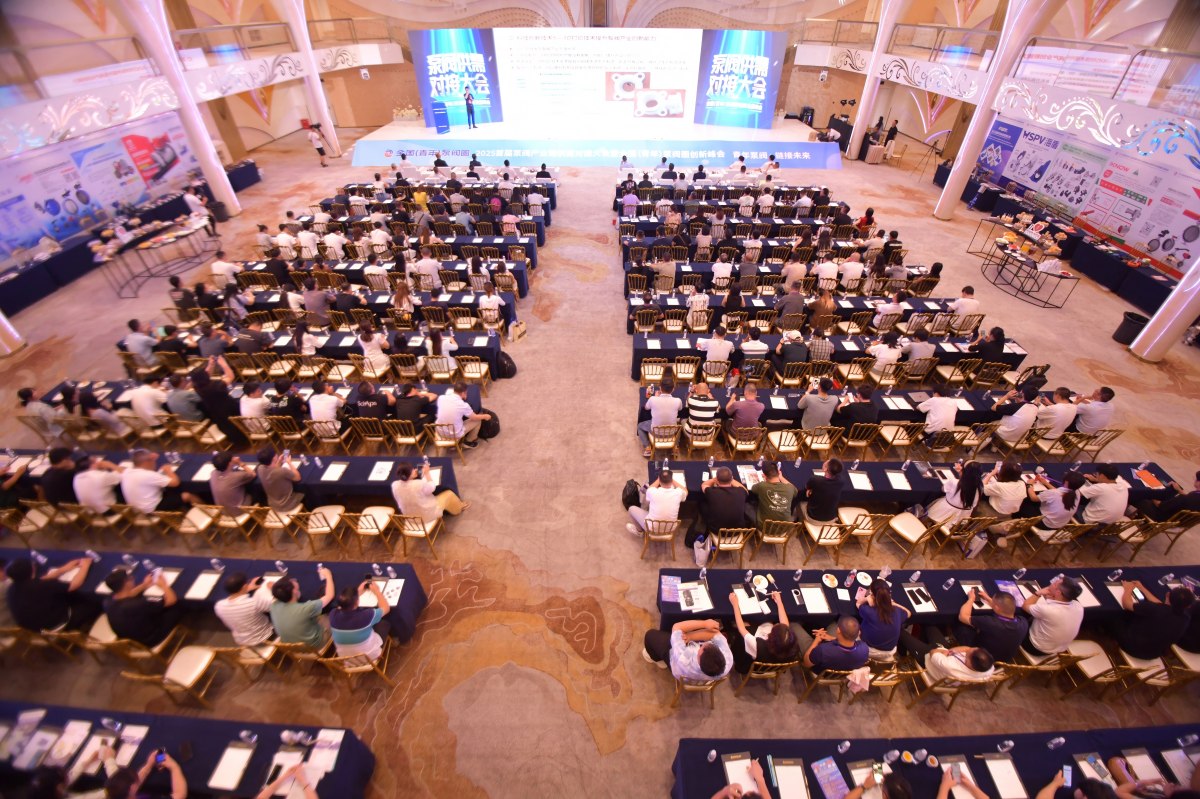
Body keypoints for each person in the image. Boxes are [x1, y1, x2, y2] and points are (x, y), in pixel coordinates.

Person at [6, 556, 97, 632]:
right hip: (54, 626)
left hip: (32, 630)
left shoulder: (11, 588)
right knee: (92, 600)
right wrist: (86, 565)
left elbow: (41, 580)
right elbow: (74, 585)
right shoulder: (42, 586)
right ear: (31, 570)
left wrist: (63, 569)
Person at [103, 568, 184, 648]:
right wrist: (163, 585)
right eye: (130, 578)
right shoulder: (138, 604)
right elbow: (171, 600)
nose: (132, 578)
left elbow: (130, 594)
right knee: (176, 606)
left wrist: (145, 585)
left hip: (131, 639)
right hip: (149, 639)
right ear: (126, 583)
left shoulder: (108, 601)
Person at [1114, 581, 1194, 660]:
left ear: (1168, 594)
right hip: (1153, 654)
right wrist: (1141, 587)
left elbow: (1126, 604)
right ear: (1189, 606)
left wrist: (1128, 588)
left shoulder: (1155, 609)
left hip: (1130, 647)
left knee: (1117, 617)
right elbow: (1161, 605)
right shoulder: (1185, 618)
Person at [729, 588, 798, 675]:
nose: (776, 624)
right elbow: (785, 625)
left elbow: (741, 628)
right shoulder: (789, 646)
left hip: (753, 664)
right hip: (772, 665)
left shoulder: (757, 645)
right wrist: (779, 601)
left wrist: (735, 605)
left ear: (771, 638)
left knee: (744, 624)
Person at [641, 618, 732, 682]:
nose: (705, 643)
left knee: (650, 635)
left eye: (702, 647)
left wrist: (704, 623)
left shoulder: (684, 657)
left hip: (677, 666)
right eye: (711, 644)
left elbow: (676, 627)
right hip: (699, 678)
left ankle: (656, 659)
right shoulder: (728, 662)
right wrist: (690, 636)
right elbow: (714, 634)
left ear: (698, 658)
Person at [954, 586, 1028, 662]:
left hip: (982, 658)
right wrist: (988, 599)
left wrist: (971, 599)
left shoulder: (990, 622)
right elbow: (1002, 609)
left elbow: (963, 617)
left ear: (997, 607)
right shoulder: (1023, 622)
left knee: (962, 626)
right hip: (1004, 659)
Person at [270, 566, 335, 650]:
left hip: (291, 647)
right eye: (292, 582)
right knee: (330, 616)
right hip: (313, 646)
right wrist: (328, 575)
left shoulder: (273, 605)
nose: (294, 580)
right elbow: (330, 595)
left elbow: (272, 590)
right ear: (294, 591)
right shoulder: (305, 609)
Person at [1022, 575, 1084, 655]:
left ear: (1058, 592)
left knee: (1020, 618)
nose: (1051, 583)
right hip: (1057, 649)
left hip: (1035, 647)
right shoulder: (1078, 605)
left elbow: (1025, 605)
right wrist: (1052, 596)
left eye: (1055, 583)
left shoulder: (1048, 610)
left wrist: (1038, 593)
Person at [329, 581, 391, 661]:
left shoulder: (332, 614)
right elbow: (386, 608)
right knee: (384, 623)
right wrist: (377, 591)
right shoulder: (366, 616)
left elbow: (341, 606)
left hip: (347, 659)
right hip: (369, 657)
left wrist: (356, 594)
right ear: (357, 602)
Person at [120, 449, 196, 513]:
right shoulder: (148, 475)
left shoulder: (126, 472)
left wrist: (149, 458)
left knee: (171, 490)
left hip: (136, 509)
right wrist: (168, 470)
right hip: (151, 509)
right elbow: (175, 483)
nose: (154, 462)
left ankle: (183, 508)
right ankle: (200, 512)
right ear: (146, 462)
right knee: (187, 495)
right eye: (152, 460)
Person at [391, 460, 467, 522]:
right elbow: (432, 487)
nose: (414, 470)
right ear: (409, 474)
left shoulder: (395, 485)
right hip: (425, 515)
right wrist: (427, 474)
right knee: (449, 494)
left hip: (410, 517)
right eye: (412, 470)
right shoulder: (418, 484)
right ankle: (459, 507)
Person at [214, 572, 275, 646]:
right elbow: (276, 606)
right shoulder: (253, 603)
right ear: (244, 586)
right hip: (266, 637)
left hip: (243, 642)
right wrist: (273, 588)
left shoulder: (219, 606)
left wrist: (247, 589)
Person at [857, 580, 910, 660]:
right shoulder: (897, 611)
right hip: (889, 653)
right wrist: (893, 604)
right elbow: (908, 613)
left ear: (873, 595)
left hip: (868, 650)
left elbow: (858, 603)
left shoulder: (869, 611)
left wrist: (867, 599)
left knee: (852, 628)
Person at [103, 750, 188, 799]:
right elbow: (180, 795)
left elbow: (132, 785)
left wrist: (149, 765)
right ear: (131, 788)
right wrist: (174, 767)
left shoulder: (113, 793)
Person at [626, 468, 686, 535]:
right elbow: (685, 491)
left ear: (660, 481)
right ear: (671, 481)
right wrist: (672, 480)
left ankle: (639, 531)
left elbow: (650, 488)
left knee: (631, 509)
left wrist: (658, 479)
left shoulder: (652, 492)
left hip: (651, 528)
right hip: (671, 529)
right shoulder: (678, 493)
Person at [800, 616, 868, 674]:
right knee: (833, 624)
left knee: (795, 625)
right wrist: (832, 638)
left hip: (821, 672)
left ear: (838, 630)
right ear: (858, 633)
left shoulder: (822, 650)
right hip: (840, 673)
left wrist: (817, 640)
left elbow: (806, 663)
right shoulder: (864, 649)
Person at [700, 467, 749, 544]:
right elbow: (745, 490)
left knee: (702, 504)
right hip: (737, 531)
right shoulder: (741, 492)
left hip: (717, 531)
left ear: (717, 480)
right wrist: (731, 480)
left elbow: (704, 484)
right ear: (731, 478)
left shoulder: (711, 492)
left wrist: (713, 479)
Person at [925, 460, 983, 526]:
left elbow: (943, 489)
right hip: (961, 518)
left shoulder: (955, 482)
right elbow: (974, 504)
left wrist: (960, 474)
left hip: (943, 512)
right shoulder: (979, 488)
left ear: (964, 471)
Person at [436, 382, 492, 448]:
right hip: (454, 434)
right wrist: (485, 416)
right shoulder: (463, 405)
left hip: (440, 431)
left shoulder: (441, 398)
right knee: (477, 420)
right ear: (463, 393)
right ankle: (468, 441)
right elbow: (474, 417)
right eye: (466, 392)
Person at [638, 379, 683, 457]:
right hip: (672, 432)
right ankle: (676, 447)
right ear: (673, 389)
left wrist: (655, 397)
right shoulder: (678, 401)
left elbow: (646, 407)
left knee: (640, 426)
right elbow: (680, 409)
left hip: (655, 432)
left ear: (660, 388)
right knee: (679, 425)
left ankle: (647, 448)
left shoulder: (653, 399)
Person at [1135, 469, 1200, 521]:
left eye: (1197, 479)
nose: (1195, 480)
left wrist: (1152, 492)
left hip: (1161, 517)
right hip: (1180, 520)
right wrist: (1179, 490)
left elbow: (1160, 505)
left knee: (1140, 495)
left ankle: (1137, 519)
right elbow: (1189, 500)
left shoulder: (1184, 498)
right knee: (1168, 494)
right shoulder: (1195, 496)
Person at [803, 458, 844, 522]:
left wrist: (810, 489)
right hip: (831, 518)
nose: (827, 460)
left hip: (813, 518)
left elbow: (807, 487)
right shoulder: (841, 481)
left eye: (828, 462)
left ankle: (797, 521)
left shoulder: (815, 480)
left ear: (825, 469)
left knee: (800, 503)